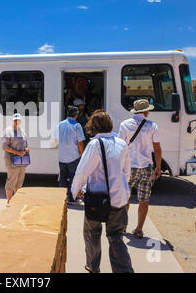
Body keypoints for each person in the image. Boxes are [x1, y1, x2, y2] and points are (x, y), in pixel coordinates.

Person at [71, 110, 134, 273]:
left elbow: (82, 172)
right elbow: (127, 173)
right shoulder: (121, 143)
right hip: (119, 199)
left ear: (94, 127)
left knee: (92, 233)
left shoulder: (94, 145)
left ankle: (93, 266)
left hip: (97, 201)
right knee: (116, 237)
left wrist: (75, 190)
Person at [117, 99, 162, 239]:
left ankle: (123, 226)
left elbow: (119, 146)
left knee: (126, 198)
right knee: (144, 200)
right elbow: (157, 148)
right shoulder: (152, 126)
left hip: (129, 167)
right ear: (146, 111)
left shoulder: (124, 125)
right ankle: (138, 229)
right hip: (146, 167)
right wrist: (158, 166)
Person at [52, 106, 85, 205]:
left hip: (62, 157)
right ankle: (71, 199)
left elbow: (55, 140)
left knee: (62, 178)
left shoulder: (60, 124)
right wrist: (82, 154)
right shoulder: (77, 126)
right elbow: (80, 143)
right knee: (73, 179)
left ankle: (61, 199)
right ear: (76, 115)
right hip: (73, 157)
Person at [2, 113, 29, 203]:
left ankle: (17, 201)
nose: (16, 121)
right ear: (12, 121)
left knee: (19, 181)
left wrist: (27, 150)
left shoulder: (22, 131)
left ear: (20, 121)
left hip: (21, 160)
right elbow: (5, 146)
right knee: (11, 180)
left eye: (18, 120)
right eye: (15, 120)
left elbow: (25, 144)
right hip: (11, 160)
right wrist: (18, 153)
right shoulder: (8, 131)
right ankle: (9, 202)